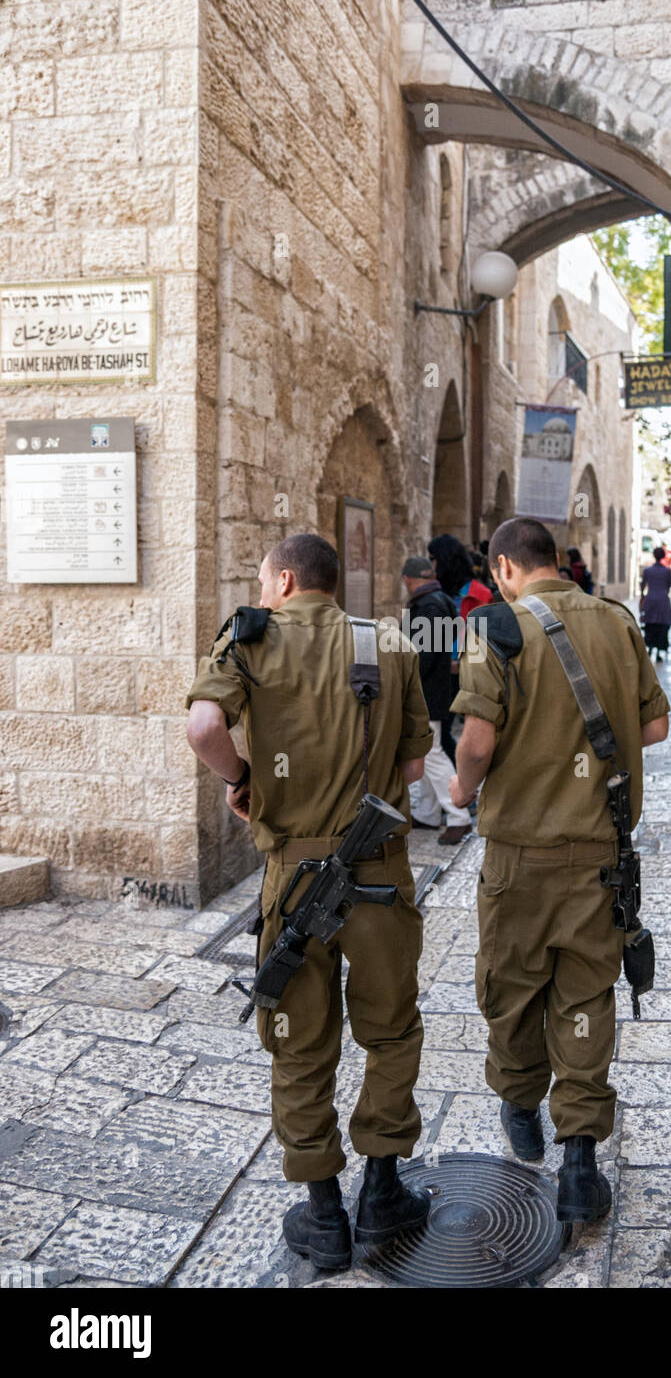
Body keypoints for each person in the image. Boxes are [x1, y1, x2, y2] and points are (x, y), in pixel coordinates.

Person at [185, 533, 433, 1271]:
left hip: (293, 877)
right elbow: (415, 765)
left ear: (285, 580)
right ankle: (383, 1190)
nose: (264, 597)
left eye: (266, 585)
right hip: (380, 874)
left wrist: (246, 778)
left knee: (299, 1040)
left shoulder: (251, 638)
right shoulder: (388, 643)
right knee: (390, 1034)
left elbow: (203, 728)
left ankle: (324, 1215)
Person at [448, 516, 669, 1223]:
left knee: (512, 989)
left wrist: (460, 789)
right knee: (583, 997)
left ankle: (520, 1105)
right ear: (556, 562)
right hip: (601, 853)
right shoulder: (615, 621)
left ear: (506, 567)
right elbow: (657, 725)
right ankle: (580, 1161)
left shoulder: (496, 628)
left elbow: (476, 742)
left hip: (520, 856)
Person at [400, 555, 472, 845]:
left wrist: (405, 683)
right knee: (429, 751)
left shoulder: (427, 605)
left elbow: (423, 655)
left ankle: (459, 817)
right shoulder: (440, 600)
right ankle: (429, 814)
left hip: (426, 691)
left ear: (408, 579)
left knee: (431, 753)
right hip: (438, 688)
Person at [427, 534, 493, 762]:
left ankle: (461, 787)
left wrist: (463, 662)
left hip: (464, 671)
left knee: (454, 733)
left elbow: (481, 636)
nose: (430, 563)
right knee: (440, 731)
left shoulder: (480, 594)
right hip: (438, 670)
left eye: (433, 558)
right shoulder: (435, 590)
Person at [640, 546, 671, 663]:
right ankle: (660, 651)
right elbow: (669, 586)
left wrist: (642, 600)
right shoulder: (667, 572)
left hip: (651, 600)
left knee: (650, 625)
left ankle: (650, 646)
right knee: (662, 626)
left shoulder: (648, 571)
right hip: (663, 601)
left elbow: (642, 587)